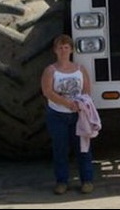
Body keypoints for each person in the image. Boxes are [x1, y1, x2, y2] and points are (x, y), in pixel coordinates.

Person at [41, 34, 95, 195]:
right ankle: (62, 182)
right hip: (57, 115)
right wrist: (67, 103)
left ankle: (86, 181)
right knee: (60, 149)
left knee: (83, 149)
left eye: (66, 47)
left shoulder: (80, 69)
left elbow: (86, 89)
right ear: (55, 51)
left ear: (71, 50)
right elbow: (47, 91)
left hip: (78, 115)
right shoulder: (50, 70)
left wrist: (81, 103)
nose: (63, 50)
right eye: (60, 48)